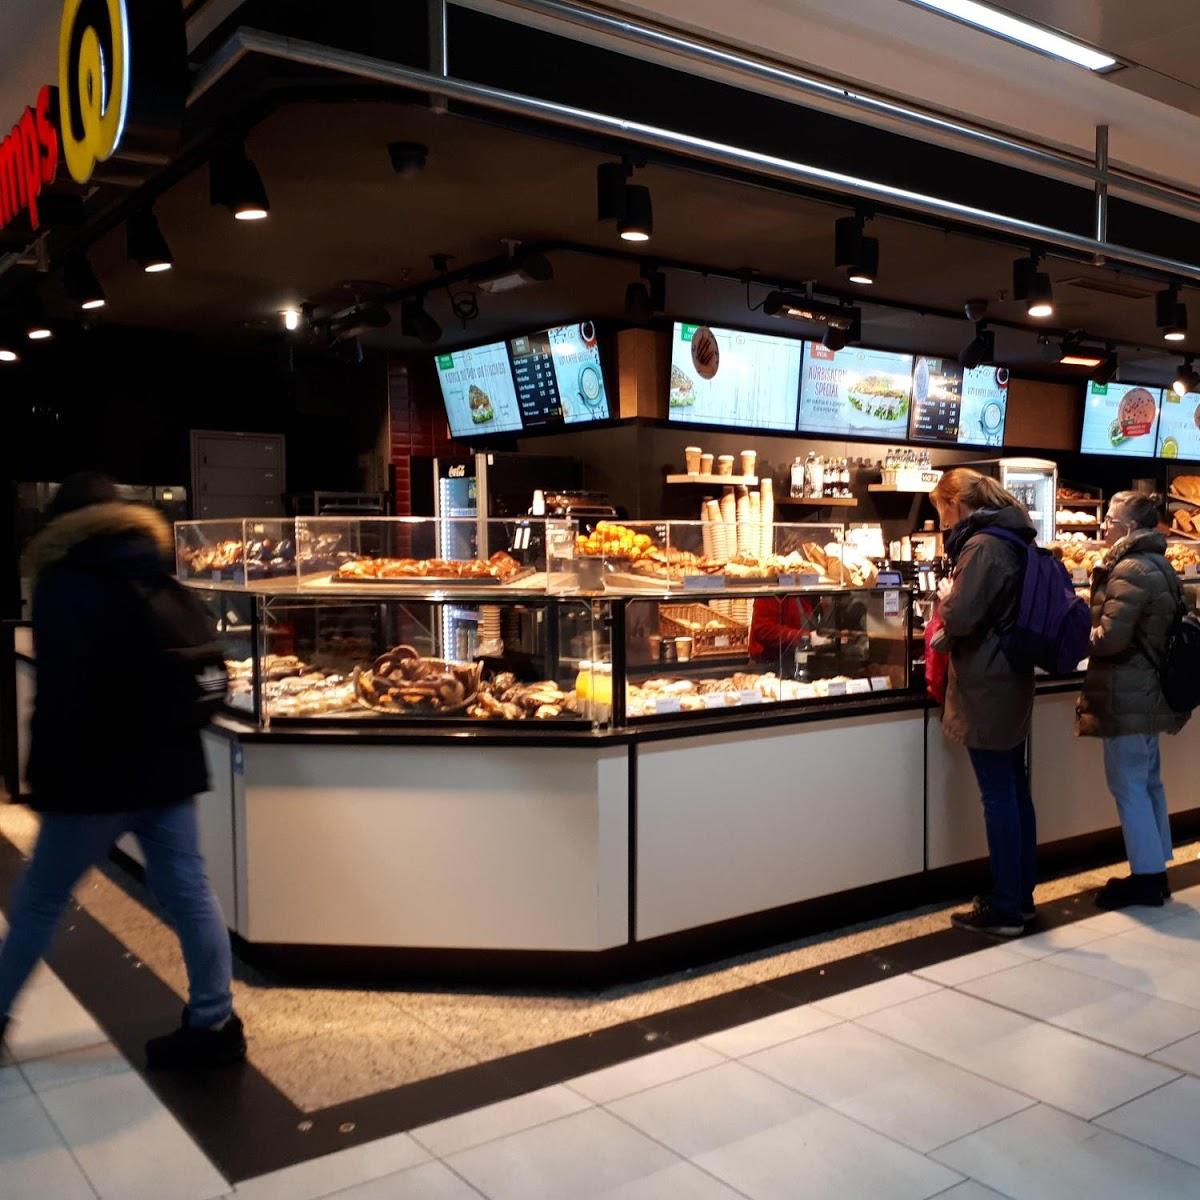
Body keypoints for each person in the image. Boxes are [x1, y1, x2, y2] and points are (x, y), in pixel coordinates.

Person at [0, 473, 245, 1068]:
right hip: (169, 767)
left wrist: (42, 780)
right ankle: (215, 1023)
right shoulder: (154, 569)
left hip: (94, 778)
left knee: (38, 901)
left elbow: (63, 695)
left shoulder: (64, 583)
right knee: (190, 894)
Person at [931, 468, 1038, 937]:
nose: (943, 523)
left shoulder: (982, 546)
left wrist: (944, 602)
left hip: (986, 681)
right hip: (1010, 677)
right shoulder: (1013, 533)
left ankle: (1007, 907)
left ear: (956, 504)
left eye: (941, 512)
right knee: (1014, 789)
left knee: (998, 794)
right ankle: (1022, 896)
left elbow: (963, 613)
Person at [1077, 491, 1186, 909]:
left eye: (1110, 518)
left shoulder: (1129, 569)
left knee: (1128, 785)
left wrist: (1082, 636)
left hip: (1127, 690)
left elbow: (1111, 638)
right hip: (1149, 690)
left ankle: (1145, 879)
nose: (1104, 525)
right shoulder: (1157, 563)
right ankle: (1155, 870)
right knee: (1148, 782)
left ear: (1130, 526)